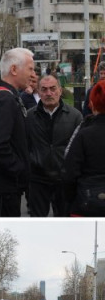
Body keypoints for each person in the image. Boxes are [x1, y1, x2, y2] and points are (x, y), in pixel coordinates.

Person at [0, 48, 36, 217]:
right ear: (14, 70)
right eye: (30, 69)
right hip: (1, 188)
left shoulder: (0, 94)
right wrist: (19, 170)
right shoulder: (3, 99)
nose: (33, 75)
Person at [26, 75, 83, 217]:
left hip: (63, 179)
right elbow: (25, 146)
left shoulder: (75, 116)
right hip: (37, 179)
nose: (48, 93)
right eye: (44, 90)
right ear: (38, 92)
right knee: (37, 222)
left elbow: (79, 150)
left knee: (63, 222)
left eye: (52, 89)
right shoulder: (29, 116)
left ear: (60, 90)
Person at [62, 80, 105, 216]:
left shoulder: (83, 134)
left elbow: (69, 173)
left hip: (88, 202)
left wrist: (72, 200)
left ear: (92, 104)